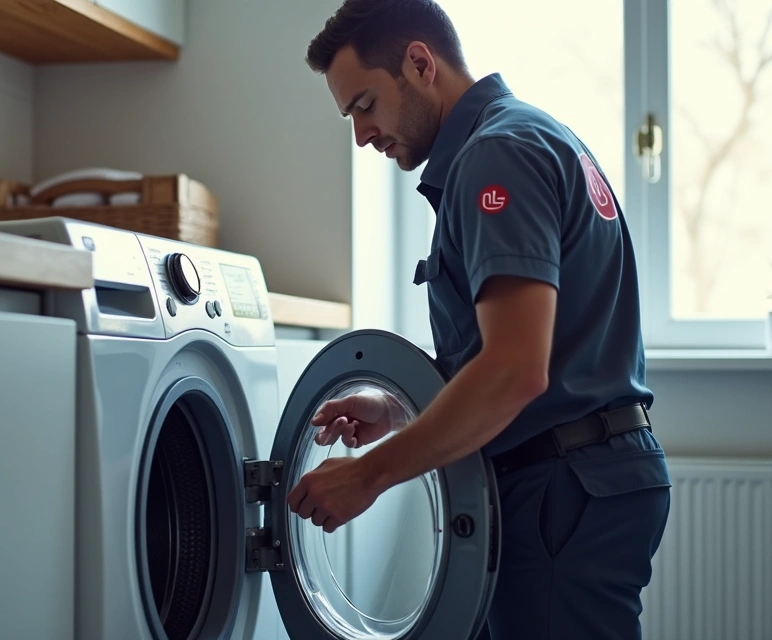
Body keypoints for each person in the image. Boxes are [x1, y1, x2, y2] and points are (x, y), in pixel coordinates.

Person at [285, 1, 673, 639]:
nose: (361, 136)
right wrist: (399, 408)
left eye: (364, 106)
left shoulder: (497, 157)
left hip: (561, 491)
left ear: (418, 63)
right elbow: (524, 357)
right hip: (579, 478)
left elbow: (516, 370)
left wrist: (367, 474)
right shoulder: (526, 135)